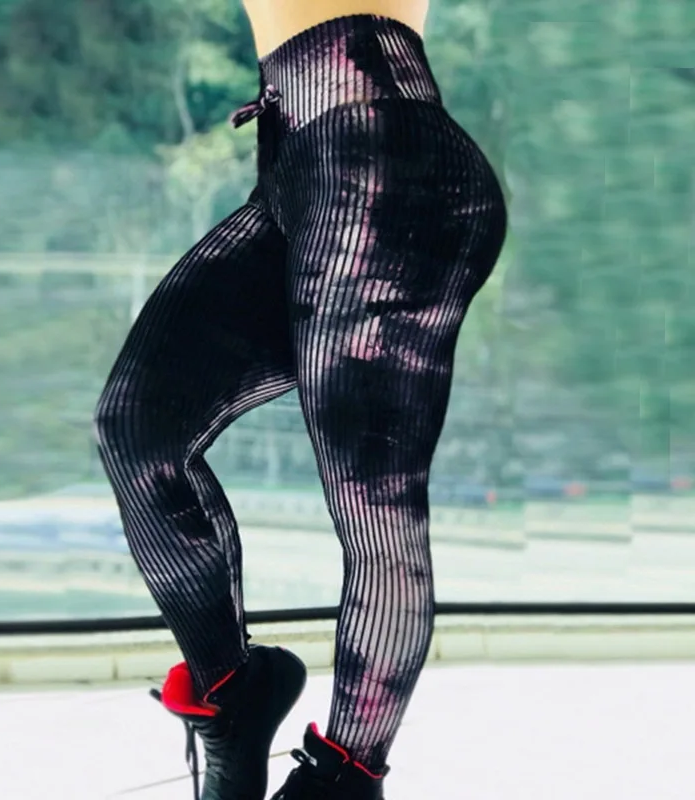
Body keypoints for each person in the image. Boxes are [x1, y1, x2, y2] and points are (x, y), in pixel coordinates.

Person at [93, 1, 507, 798]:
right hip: (297, 166)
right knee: (139, 428)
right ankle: (233, 694)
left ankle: (345, 778)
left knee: (376, 506)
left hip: (384, 159)